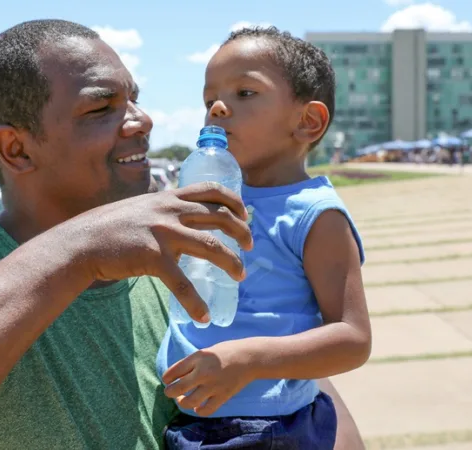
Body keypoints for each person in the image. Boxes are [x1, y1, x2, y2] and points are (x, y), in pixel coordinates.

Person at [0, 20, 365, 450]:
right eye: (102, 108)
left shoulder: (177, 252)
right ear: (17, 149)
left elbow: (298, 395)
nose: (143, 120)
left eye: (135, 99)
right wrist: (79, 252)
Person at [156, 27, 371, 449]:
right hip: (192, 418)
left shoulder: (314, 213)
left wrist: (249, 360)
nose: (217, 108)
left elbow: (353, 338)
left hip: (268, 428)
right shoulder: (209, 196)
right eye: (209, 100)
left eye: (245, 93)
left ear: (308, 121)